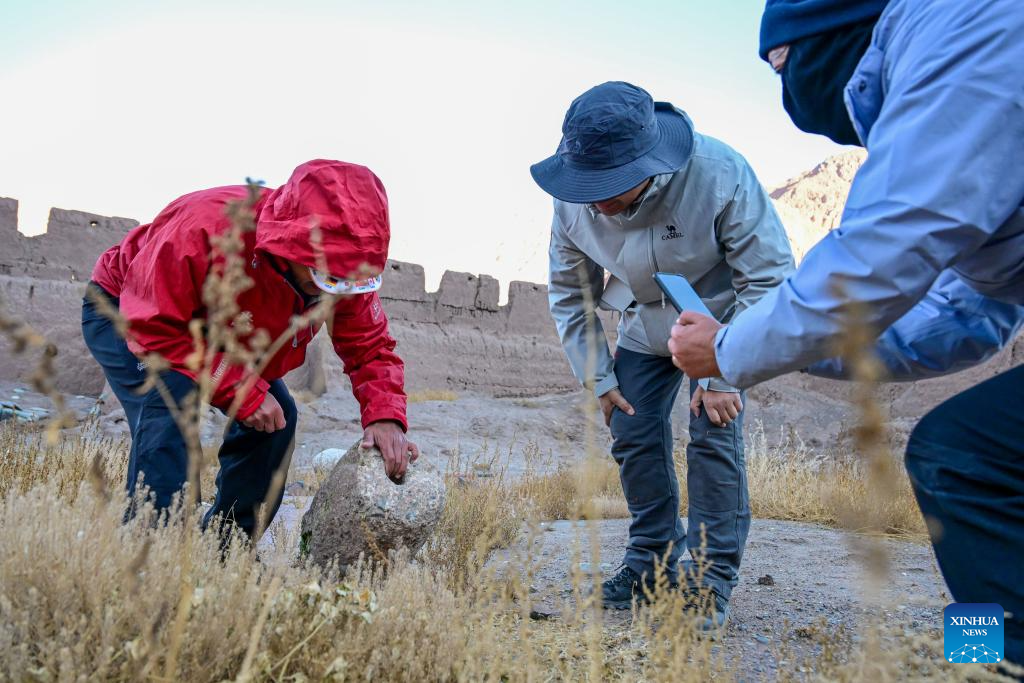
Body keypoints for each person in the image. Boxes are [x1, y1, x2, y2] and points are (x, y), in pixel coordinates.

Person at [668, 0, 1024, 664]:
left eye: (780, 66)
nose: (786, 93)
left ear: (824, 35)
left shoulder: (962, 35)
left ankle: (994, 659)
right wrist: (776, 348)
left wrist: (727, 350)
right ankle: (978, 653)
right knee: (971, 455)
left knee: (963, 457)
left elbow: (872, 260)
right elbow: (962, 319)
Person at [531, 81, 794, 629]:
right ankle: (651, 562)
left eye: (611, 184)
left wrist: (724, 369)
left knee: (712, 433)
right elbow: (570, 294)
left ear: (649, 164)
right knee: (631, 427)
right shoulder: (573, 200)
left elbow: (769, 279)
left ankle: (710, 577)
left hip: (723, 321)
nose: (596, 198)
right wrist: (598, 377)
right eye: (587, 183)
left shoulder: (720, 174)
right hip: (643, 324)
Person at [82, 159, 418, 541]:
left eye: (348, 282)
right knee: (173, 399)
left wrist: (386, 416)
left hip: (224, 334)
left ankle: (229, 544)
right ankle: (153, 550)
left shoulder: (344, 266)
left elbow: (370, 347)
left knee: (279, 419)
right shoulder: (205, 226)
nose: (334, 292)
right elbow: (154, 325)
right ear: (293, 246)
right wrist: (241, 389)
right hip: (132, 310)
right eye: (327, 277)